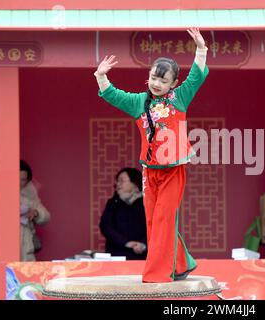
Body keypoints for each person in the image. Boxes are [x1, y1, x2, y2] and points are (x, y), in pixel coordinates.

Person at [95, 28, 208, 282]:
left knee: (164, 219)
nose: (156, 84)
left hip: (173, 172)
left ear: (173, 84)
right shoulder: (138, 102)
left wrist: (201, 48)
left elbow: (196, 77)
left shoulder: (180, 97)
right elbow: (114, 95)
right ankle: (182, 264)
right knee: (153, 221)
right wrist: (101, 76)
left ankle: (158, 274)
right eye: (153, 78)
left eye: (163, 80)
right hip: (149, 173)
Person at [0, 160, 50, 261]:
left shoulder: (29, 196)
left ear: (27, 180)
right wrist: (11, 212)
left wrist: (36, 212)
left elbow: (46, 216)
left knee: (24, 275)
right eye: (16, 178)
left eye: (23, 179)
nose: (19, 182)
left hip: (25, 249)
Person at [99, 168, 147, 260]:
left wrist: (143, 244)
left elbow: (156, 228)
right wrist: (126, 242)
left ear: (135, 183)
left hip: (144, 258)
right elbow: (105, 226)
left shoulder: (148, 203)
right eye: (117, 181)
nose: (117, 184)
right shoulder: (112, 203)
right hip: (117, 256)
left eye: (121, 181)